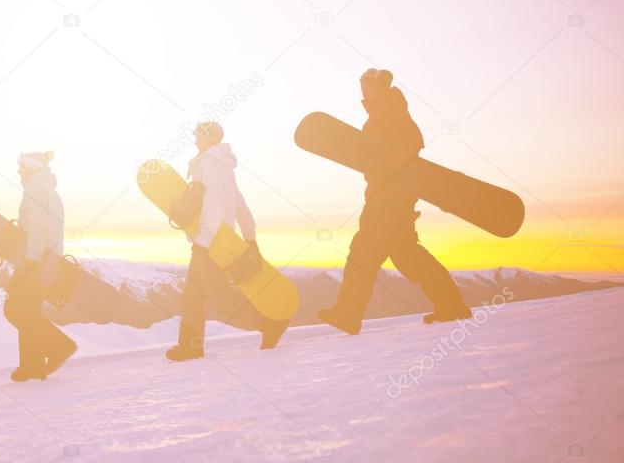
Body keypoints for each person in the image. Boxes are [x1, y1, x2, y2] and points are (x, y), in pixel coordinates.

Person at [318, 69, 471, 335]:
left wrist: (387, 169)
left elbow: (409, 144)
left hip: (388, 199)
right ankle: (452, 305)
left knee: (362, 254)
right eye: (362, 87)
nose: (363, 91)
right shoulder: (386, 112)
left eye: (368, 87)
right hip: (391, 196)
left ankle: (347, 315)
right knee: (408, 257)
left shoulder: (389, 113)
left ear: (381, 88)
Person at [165, 122, 290, 362]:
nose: (194, 140)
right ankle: (191, 346)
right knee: (191, 296)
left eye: (198, 136)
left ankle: (269, 324)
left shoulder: (211, 162)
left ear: (209, 138)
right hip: (213, 238)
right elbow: (238, 201)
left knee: (219, 295)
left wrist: (204, 239)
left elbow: (213, 202)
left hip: (211, 241)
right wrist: (249, 235)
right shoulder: (222, 164)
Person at [4, 151, 78, 382]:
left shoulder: (35, 188)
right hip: (48, 257)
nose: (18, 172)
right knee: (26, 310)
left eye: (22, 167)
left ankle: (59, 346)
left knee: (14, 309)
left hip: (37, 258)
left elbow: (38, 224)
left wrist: (31, 258)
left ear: (31, 168)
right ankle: (31, 366)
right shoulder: (49, 190)